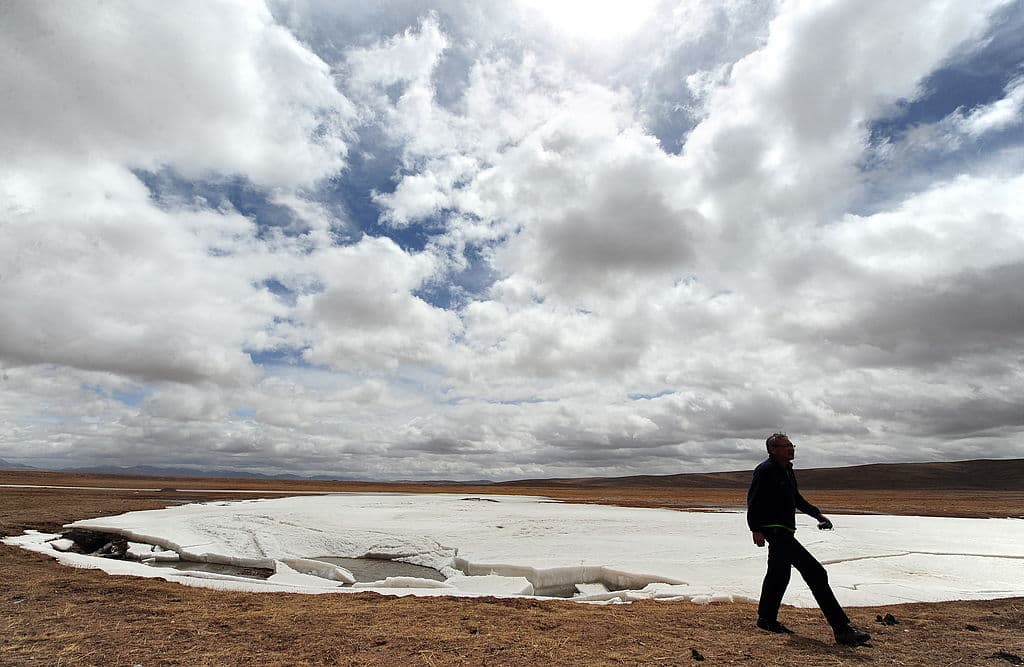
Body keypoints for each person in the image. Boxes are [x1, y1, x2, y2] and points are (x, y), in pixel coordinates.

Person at [747, 433, 871, 646]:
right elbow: (753, 499)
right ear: (773, 450)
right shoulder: (765, 470)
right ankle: (841, 629)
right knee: (816, 573)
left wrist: (817, 514)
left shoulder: (787, 470)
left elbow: (796, 499)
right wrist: (755, 529)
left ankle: (766, 619)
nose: (791, 448)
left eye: (791, 445)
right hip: (775, 530)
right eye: (785, 446)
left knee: (779, 575)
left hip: (785, 530)